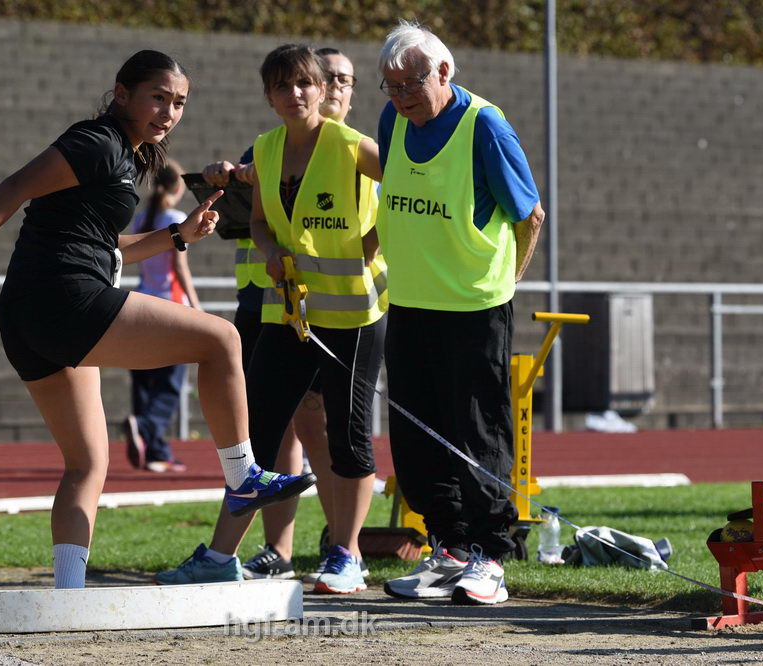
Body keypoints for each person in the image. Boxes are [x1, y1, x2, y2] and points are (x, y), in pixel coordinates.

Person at [0, 50, 316, 589]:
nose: (169, 112)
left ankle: (68, 590)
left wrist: (179, 235)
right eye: (159, 97)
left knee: (86, 462)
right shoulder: (96, 142)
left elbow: (104, 249)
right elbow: (14, 187)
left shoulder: (128, 158)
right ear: (123, 93)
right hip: (63, 300)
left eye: (179, 103)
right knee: (222, 338)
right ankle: (243, 475)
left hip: (27, 317)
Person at [158, 44, 385, 595]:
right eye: (283, 87)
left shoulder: (353, 146)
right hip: (292, 311)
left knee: (349, 438)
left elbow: (404, 193)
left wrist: (371, 245)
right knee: (253, 436)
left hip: (354, 315)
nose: (296, 94)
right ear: (269, 96)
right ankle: (219, 556)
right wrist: (271, 252)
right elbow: (259, 223)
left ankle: (346, 554)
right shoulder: (268, 149)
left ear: (324, 88)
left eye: (305, 83)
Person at [374, 21, 544, 605]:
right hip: (411, 302)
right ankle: (445, 548)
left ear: (445, 72)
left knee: (478, 431)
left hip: (474, 307)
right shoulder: (392, 121)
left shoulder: (485, 126)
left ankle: (490, 555)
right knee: (417, 435)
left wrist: (506, 283)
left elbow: (531, 217)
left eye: (412, 82)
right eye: (390, 86)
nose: (401, 96)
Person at [123, 159, 199, 473]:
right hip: (171, 306)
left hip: (141, 303)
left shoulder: (142, 219)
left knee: (144, 379)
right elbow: (179, 268)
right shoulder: (176, 218)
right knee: (170, 381)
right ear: (178, 187)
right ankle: (146, 425)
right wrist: (196, 305)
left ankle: (154, 451)